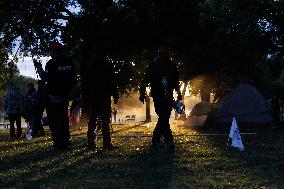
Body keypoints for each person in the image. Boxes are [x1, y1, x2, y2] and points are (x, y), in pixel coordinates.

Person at [33, 42, 76, 150]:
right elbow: (74, 79)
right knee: (64, 119)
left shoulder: (51, 63)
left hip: (53, 96)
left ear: (54, 51)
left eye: (51, 51)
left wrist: (38, 67)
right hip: (65, 95)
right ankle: (66, 140)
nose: (50, 53)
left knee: (54, 120)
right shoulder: (69, 62)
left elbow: (45, 78)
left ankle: (58, 144)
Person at [139, 45, 182, 150]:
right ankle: (168, 140)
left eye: (165, 54)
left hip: (168, 97)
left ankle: (157, 140)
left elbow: (176, 81)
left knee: (164, 118)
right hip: (158, 96)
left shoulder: (172, 65)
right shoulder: (154, 65)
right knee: (164, 117)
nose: (164, 56)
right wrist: (142, 93)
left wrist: (179, 92)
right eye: (162, 54)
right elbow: (145, 80)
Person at [86, 47, 119, 150]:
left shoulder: (91, 65)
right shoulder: (108, 65)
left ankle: (91, 144)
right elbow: (112, 81)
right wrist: (115, 95)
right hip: (104, 97)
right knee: (105, 121)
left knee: (92, 121)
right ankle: (106, 144)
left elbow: (86, 83)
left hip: (93, 97)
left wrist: (87, 96)